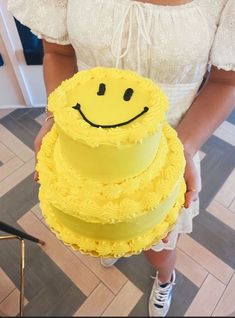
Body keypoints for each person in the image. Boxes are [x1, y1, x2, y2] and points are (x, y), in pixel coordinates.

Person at [7, 0, 235, 316]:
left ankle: (166, 279)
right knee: (104, 231)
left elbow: (226, 81)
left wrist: (180, 150)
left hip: (164, 157)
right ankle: (112, 244)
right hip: (87, 156)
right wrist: (55, 118)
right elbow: (58, 52)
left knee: (159, 249)